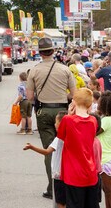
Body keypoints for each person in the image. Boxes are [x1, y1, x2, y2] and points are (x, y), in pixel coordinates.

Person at [26, 37, 77, 200]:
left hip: (43, 111)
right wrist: (62, 96)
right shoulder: (65, 69)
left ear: (40, 53)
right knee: (66, 149)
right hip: (62, 111)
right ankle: (69, 183)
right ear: (53, 51)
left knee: (49, 150)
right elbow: (74, 94)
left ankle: (52, 187)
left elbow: (29, 97)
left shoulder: (34, 70)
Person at [57, 88, 100, 208]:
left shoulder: (67, 119)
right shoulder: (93, 121)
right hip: (90, 171)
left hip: (73, 172)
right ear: (90, 104)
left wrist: (69, 114)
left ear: (74, 102)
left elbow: (60, 136)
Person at [23, 110, 68, 208]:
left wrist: (32, 147)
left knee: (60, 202)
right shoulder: (71, 137)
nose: (55, 124)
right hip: (70, 174)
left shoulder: (59, 139)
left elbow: (47, 151)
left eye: (56, 122)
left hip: (59, 175)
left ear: (61, 124)